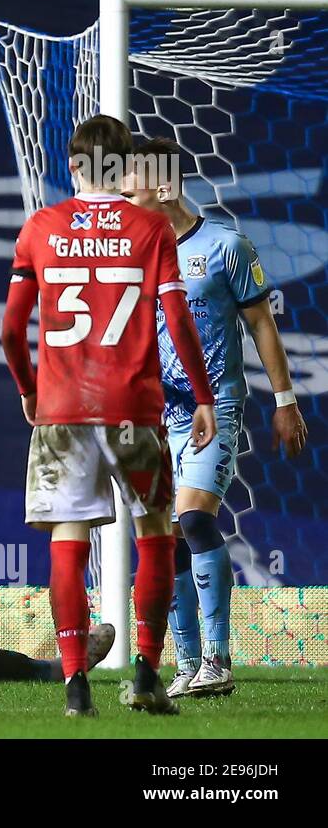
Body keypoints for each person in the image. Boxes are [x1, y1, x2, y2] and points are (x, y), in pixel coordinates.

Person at [0, 115, 217, 717]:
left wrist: (28, 389)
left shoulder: (40, 228)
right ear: (123, 169)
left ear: (73, 166)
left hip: (63, 412)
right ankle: (147, 674)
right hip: (133, 410)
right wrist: (201, 396)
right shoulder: (150, 228)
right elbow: (177, 322)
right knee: (155, 532)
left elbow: (12, 330)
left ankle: (75, 687)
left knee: (69, 540)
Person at [123, 136, 308, 698]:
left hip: (215, 406)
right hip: (157, 416)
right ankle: (186, 664)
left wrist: (284, 400)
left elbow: (261, 326)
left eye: (130, 187)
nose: (123, 198)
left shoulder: (225, 245)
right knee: (168, 537)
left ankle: (218, 660)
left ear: (161, 186)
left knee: (195, 520)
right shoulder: (134, 253)